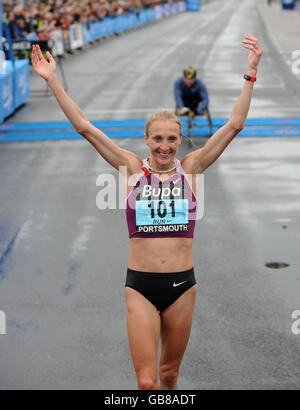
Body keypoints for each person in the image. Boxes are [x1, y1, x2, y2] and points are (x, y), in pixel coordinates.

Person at [31, 33, 263, 390]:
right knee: (146, 384)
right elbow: (85, 128)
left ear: (180, 139)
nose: (165, 146)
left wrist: (250, 74)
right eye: (158, 139)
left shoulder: (192, 168)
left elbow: (234, 124)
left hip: (183, 286)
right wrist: (52, 81)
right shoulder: (129, 168)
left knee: (170, 377)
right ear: (146, 139)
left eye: (172, 139)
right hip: (140, 286)